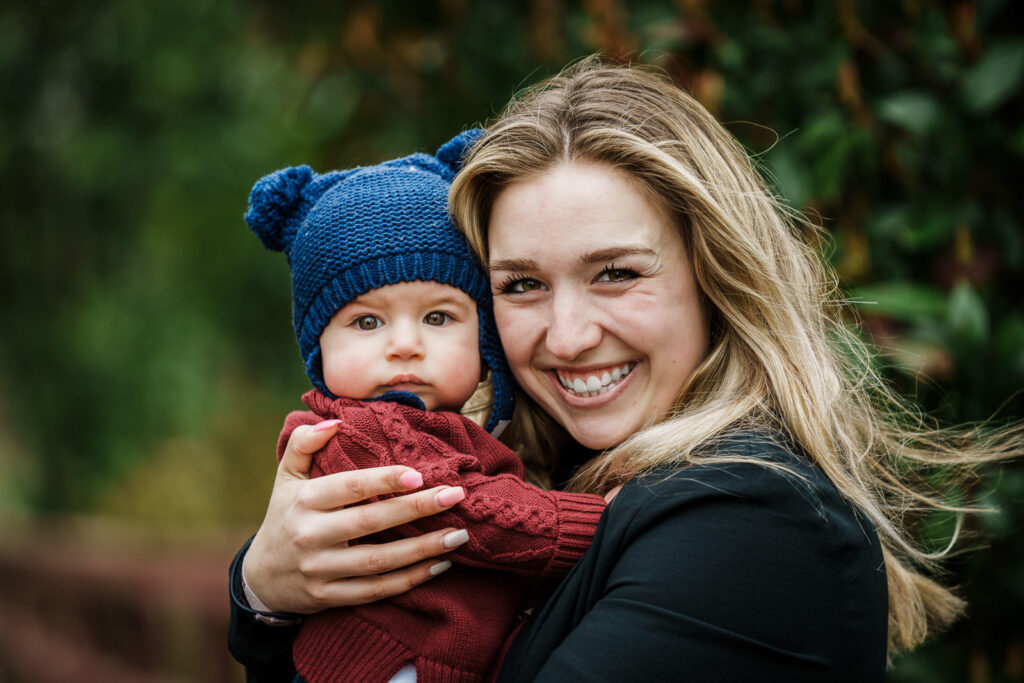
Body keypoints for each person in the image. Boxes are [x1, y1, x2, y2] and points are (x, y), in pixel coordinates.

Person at [229, 58, 1021, 681]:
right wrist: (265, 588)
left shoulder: (751, 519)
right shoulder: (554, 467)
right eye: (522, 285)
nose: (568, 337)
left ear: (716, 273)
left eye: (616, 273)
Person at [240, 133, 605, 682]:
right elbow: (469, 512)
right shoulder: (360, 433)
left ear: (485, 346)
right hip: (387, 665)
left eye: (438, 317)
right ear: (319, 350)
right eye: (367, 322)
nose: (405, 344)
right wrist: (607, 522)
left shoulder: (455, 428)